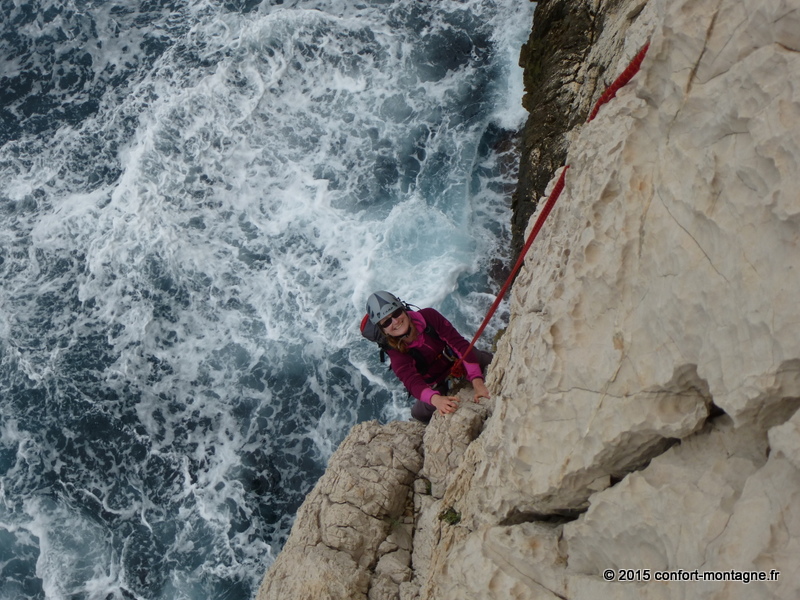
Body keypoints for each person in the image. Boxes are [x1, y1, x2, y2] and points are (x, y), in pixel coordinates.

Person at [365, 291, 492, 424]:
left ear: (404, 310)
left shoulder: (429, 317)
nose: (395, 321)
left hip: (455, 362)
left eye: (396, 313)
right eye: (386, 322)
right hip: (435, 383)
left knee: (481, 359)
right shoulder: (396, 353)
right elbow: (412, 382)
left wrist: (477, 381)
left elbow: (459, 344)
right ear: (383, 330)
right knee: (420, 412)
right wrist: (436, 400)